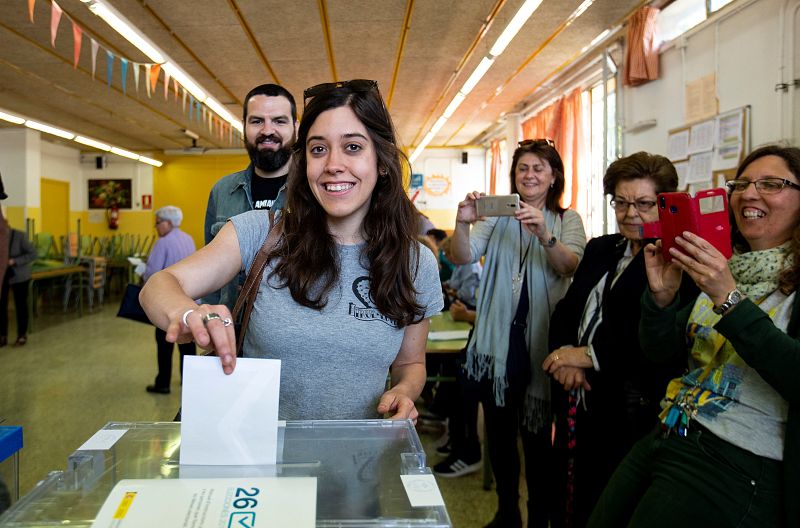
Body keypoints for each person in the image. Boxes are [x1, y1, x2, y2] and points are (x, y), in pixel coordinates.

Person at [140, 79, 443, 421]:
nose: (333, 164)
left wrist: (403, 392)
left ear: (382, 162)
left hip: (358, 463)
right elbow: (159, 285)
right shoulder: (259, 232)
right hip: (258, 463)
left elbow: (411, 363)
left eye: (353, 147)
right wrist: (187, 314)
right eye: (318, 149)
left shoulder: (414, 262)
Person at [588, 145, 800, 528]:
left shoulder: (728, 280)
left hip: (738, 459)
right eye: (742, 184)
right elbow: (662, 353)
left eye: (771, 184)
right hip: (671, 428)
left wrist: (729, 300)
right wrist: (661, 299)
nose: (749, 194)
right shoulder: (725, 264)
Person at [543, 152, 697, 527]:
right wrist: (565, 357)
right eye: (622, 202)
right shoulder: (601, 248)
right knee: (569, 494)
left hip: (628, 404)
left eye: (644, 204)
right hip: (575, 396)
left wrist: (588, 357)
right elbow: (566, 309)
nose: (631, 214)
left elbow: (658, 339)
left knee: (611, 502)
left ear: (665, 204)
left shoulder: (679, 261)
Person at [450, 139, 587, 528]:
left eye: (538, 168)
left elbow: (570, 265)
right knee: (500, 435)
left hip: (544, 344)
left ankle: (539, 518)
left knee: (538, 441)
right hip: (498, 345)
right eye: (523, 168)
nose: (529, 175)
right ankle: (506, 513)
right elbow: (462, 255)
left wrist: (544, 232)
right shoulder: (497, 216)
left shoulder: (567, 219)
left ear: (553, 176)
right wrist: (463, 222)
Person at [203, 84, 297, 310]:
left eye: (279, 121)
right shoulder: (222, 191)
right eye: (256, 121)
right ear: (244, 126)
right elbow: (210, 269)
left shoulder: (315, 190)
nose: (267, 130)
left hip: (289, 337)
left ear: (296, 127)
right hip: (232, 331)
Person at [143, 206, 197, 394]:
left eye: (157, 223)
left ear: (168, 223)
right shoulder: (188, 239)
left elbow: (152, 273)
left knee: (165, 342)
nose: (156, 227)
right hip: (189, 301)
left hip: (167, 304)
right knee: (188, 343)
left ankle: (163, 383)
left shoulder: (163, 243)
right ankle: (189, 381)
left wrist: (142, 270)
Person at [1, 221, 36, 347]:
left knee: (21, 305)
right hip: (3, 276)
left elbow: (33, 253)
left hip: (20, 276)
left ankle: (22, 335)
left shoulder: (20, 236)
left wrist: (14, 261)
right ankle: (2, 336)